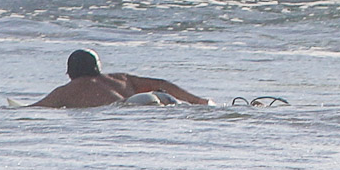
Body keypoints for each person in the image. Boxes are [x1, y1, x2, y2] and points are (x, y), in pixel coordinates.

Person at [31, 50, 213, 108]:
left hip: (135, 105)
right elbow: (161, 84)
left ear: (69, 72)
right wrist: (197, 100)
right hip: (158, 97)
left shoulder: (67, 91)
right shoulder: (121, 78)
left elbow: (37, 109)